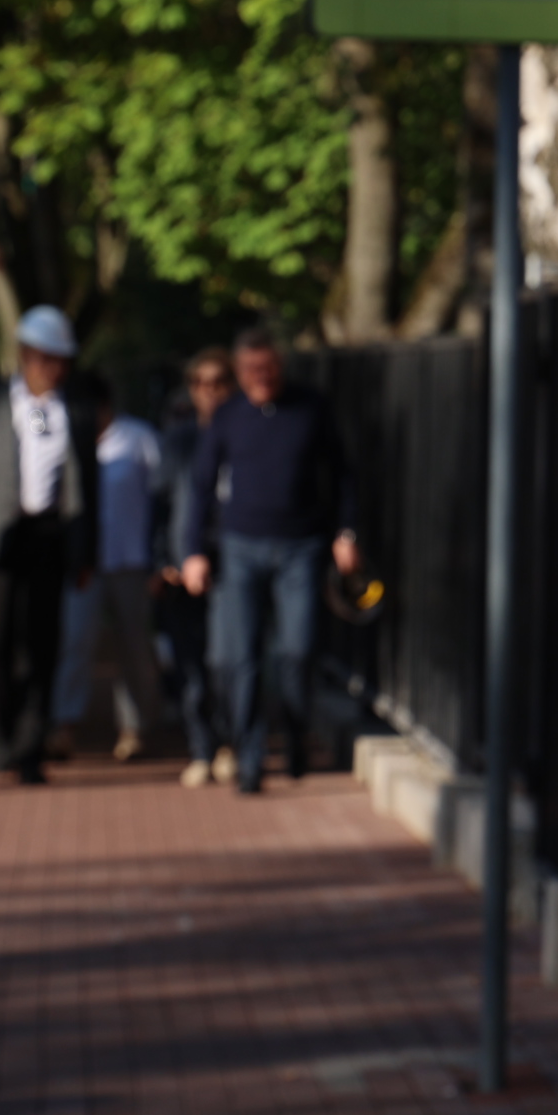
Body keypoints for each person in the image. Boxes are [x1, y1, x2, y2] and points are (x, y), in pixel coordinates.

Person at [180, 327, 356, 794]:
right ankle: (250, 756)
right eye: (251, 370)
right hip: (240, 548)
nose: (261, 377)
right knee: (241, 659)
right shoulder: (228, 416)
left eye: (268, 368)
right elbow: (201, 486)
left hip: (301, 546)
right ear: (240, 373)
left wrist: (346, 532)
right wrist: (193, 551)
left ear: (280, 367)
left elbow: (342, 474)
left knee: (298, 649)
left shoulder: (311, 408)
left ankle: (296, 733)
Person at [0, 306, 99, 785]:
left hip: (50, 536)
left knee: (43, 643)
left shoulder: (76, 408)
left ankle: (31, 744)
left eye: (61, 360)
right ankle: (1, 734)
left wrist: (85, 551)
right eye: (46, 358)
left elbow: (87, 486)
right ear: (26, 355)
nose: (54, 369)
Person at [50, 380, 166, 762]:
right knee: (75, 641)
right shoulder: (64, 437)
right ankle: (65, 723)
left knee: (134, 645)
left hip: (130, 560)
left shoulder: (138, 438)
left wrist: (158, 556)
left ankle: (134, 727)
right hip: (84, 563)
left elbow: (160, 498)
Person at [161, 349, 234, 788]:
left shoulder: (246, 433)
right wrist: (162, 561)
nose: (209, 392)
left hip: (234, 564)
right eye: (200, 384)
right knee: (190, 666)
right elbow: (158, 503)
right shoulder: (177, 441)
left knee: (227, 659)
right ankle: (202, 748)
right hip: (182, 569)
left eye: (219, 382)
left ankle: (230, 741)